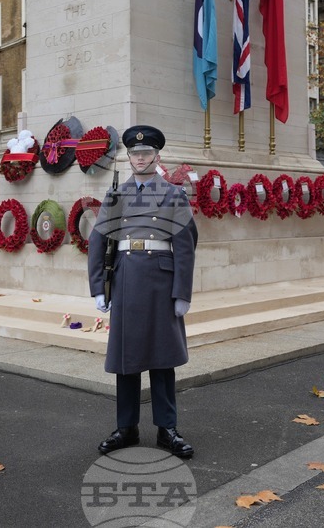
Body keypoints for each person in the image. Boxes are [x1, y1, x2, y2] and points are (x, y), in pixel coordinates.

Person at [87, 125, 198, 459]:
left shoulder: (174, 194)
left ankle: (167, 429)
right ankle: (126, 427)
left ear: (157, 156)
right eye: (135, 154)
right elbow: (98, 240)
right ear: (130, 158)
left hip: (161, 282)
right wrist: (98, 288)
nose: (140, 158)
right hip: (127, 279)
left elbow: (186, 244)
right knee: (127, 358)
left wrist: (182, 292)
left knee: (163, 359)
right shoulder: (117, 195)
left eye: (146, 153)